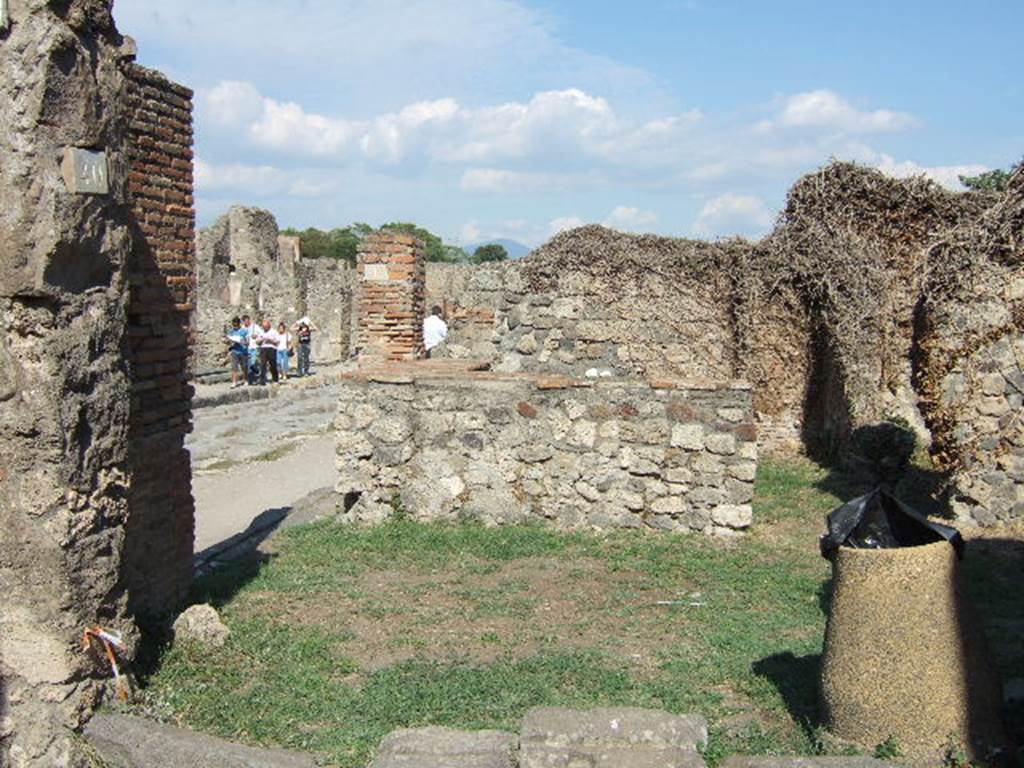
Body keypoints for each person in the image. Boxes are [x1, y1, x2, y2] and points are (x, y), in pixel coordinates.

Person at [224, 316, 249, 388]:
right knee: (234, 367)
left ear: (239, 324)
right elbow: (229, 341)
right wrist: (227, 341)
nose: (235, 327)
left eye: (236, 325)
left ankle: (245, 379)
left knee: (244, 367)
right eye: (234, 325)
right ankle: (234, 382)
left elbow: (247, 342)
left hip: (243, 351)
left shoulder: (244, 331)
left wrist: (241, 341)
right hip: (234, 351)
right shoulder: (231, 332)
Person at [257, 319, 280, 385]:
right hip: (263, 348)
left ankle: (275, 379)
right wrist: (261, 340)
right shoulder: (261, 332)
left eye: (266, 326)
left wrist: (270, 340)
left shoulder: (274, 332)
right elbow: (257, 342)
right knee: (262, 364)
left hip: (271, 348)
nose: (264, 328)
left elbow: (277, 342)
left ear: (269, 325)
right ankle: (262, 380)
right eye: (263, 326)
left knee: (272, 364)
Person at [245, 315, 262, 385]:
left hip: (255, 347)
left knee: (253, 363)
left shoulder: (255, 326)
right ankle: (251, 380)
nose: (246, 323)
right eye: (244, 321)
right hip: (247, 348)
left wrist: (256, 336)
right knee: (249, 364)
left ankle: (258, 374)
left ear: (249, 320)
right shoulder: (243, 328)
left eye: (246, 321)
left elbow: (262, 334)